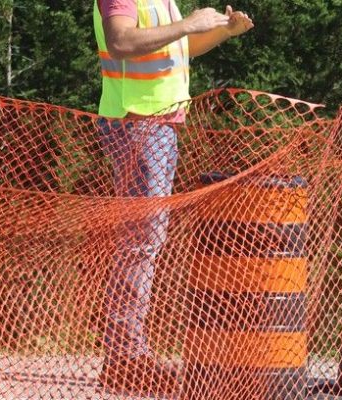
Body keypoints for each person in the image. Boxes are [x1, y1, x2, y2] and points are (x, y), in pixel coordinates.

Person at [94, 0, 254, 395]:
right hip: (137, 123)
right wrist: (188, 23)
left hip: (156, 125)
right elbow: (122, 42)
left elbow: (176, 46)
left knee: (144, 242)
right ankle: (125, 359)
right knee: (139, 243)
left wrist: (220, 33)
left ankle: (126, 355)